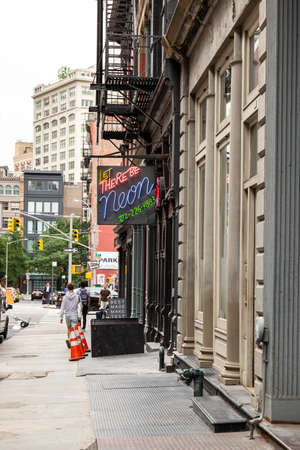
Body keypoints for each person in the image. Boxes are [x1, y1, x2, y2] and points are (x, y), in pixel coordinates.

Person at [60, 282, 80, 348]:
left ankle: (69, 340)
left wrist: (61, 317)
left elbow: (62, 307)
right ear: (73, 288)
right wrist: (80, 315)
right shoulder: (77, 296)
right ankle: (78, 342)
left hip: (67, 315)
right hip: (74, 314)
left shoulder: (65, 297)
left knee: (69, 329)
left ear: (67, 288)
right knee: (75, 329)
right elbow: (79, 306)